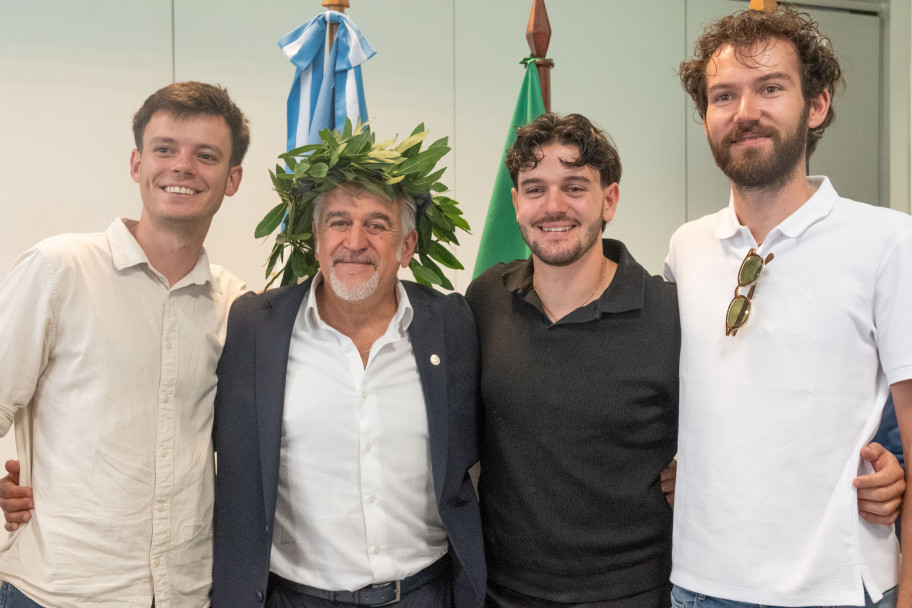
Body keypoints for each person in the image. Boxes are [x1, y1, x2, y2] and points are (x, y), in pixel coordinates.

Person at [667, 6, 912, 607]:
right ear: (706, 117)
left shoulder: (889, 241)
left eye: (770, 88)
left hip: (836, 591)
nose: (744, 112)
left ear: (818, 105)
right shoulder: (686, 247)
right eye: (723, 95)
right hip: (698, 588)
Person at [210, 125, 485, 607]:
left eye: (377, 225)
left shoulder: (451, 324)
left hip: (426, 593)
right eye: (338, 222)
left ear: (407, 245)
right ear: (315, 238)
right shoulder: (256, 327)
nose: (354, 241)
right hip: (295, 598)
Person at [0, 81, 249, 607]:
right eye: (164, 149)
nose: (182, 167)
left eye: (206, 155)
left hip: (184, 593)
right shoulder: (60, 268)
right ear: (137, 164)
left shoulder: (233, 303)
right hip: (59, 593)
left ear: (232, 179)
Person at [466, 113, 679, 608]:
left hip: (638, 593)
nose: (554, 206)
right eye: (535, 188)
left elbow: (737, 425)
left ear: (610, 200)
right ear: (516, 203)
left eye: (575, 187)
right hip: (502, 593)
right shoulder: (485, 300)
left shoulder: (669, 312)